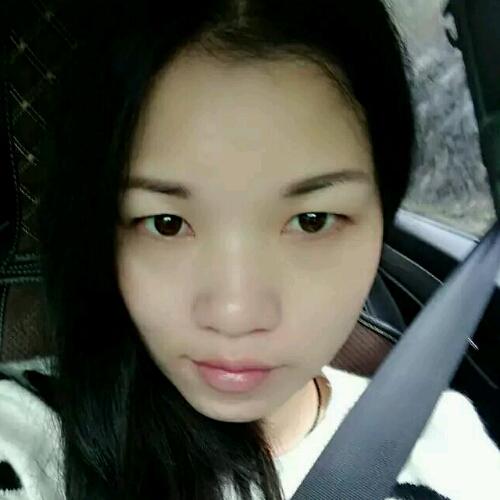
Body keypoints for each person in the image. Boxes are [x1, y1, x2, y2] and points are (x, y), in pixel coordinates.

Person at [0, 0, 499, 499]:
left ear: (381, 215)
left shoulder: (446, 448)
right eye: (167, 224)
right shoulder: (22, 440)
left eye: (311, 221)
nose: (235, 314)